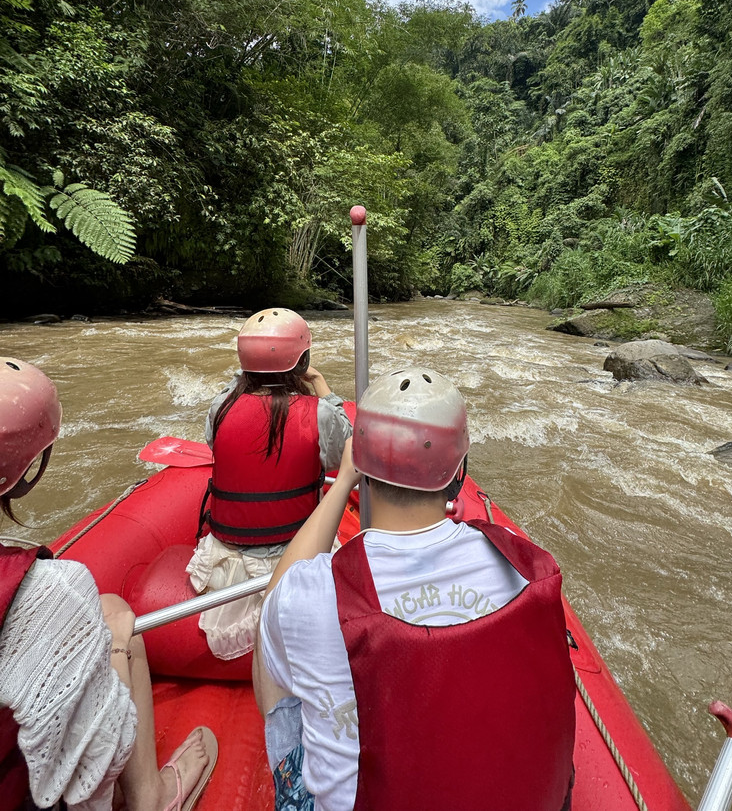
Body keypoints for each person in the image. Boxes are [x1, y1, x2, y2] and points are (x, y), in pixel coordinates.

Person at [253, 366, 576, 811]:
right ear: (459, 467)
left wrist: (343, 480)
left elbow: (275, 602)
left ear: (362, 463)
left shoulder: (310, 591)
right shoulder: (521, 561)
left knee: (271, 646)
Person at [0, 357, 218, 811]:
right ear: (28, 472)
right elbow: (100, 750)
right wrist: (116, 646)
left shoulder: (222, 407)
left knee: (108, 604)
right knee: (118, 618)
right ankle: (150, 798)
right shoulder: (54, 589)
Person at [187, 308, 352, 659]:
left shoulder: (221, 407)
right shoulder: (318, 412)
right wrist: (320, 383)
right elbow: (345, 452)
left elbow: (213, 441)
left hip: (227, 557)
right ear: (302, 361)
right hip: (296, 553)